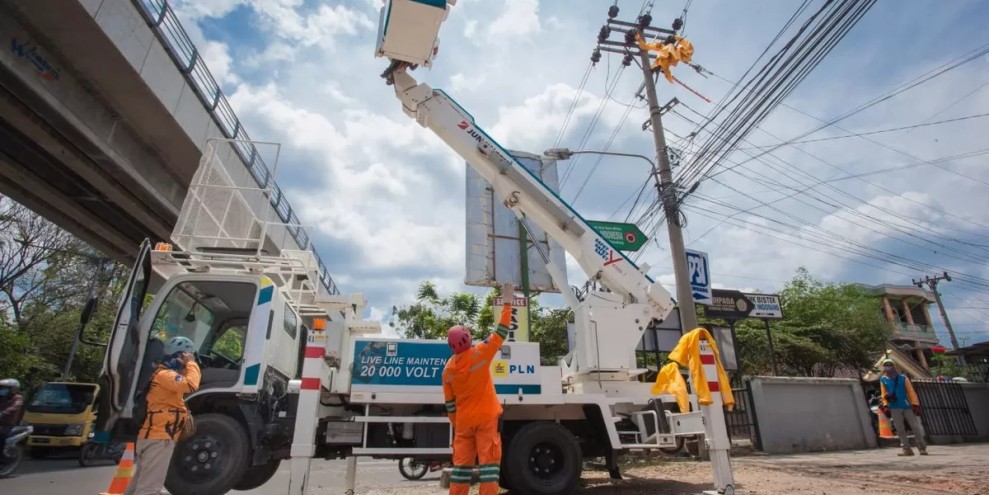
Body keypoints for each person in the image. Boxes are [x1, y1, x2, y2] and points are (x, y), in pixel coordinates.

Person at [442, 282, 514, 495]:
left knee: (461, 470)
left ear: (450, 345)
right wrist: (507, 301)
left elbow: (450, 405)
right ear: (469, 338)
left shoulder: (448, 371)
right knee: (489, 468)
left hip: (464, 423)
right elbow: (501, 331)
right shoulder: (481, 353)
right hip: (486, 419)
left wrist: (460, 425)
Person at [125, 336, 201, 495]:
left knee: (139, 484)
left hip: (154, 436)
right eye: (186, 357)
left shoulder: (161, 375)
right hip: (159, 439)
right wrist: (192, 363)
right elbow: (190, 384)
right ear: (180, 356)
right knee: (149, 489)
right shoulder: (165, 376)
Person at [879, 358, 927, 456]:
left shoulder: (903, 378)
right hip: (893, 406)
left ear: (894, 366)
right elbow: (883, 394)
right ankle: (906, 449)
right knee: (900, 428)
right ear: (884, 367)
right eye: (886, 365)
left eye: (890, 364)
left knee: (915, 426)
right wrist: (885, 406)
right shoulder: (883, 379)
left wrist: (915, 404)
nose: (888, 367)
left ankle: (921, 447)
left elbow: (910, 391)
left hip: (906, 405)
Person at [0, 378, 24, 446]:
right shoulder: (1, 398)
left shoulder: (17, 398)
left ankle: (2, 454)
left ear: (13, 389)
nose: (2, 389)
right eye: (1, 387)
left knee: (1, 435)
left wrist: (3, 413)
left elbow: (15, 407)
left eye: (5, 388)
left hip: (9, 424)